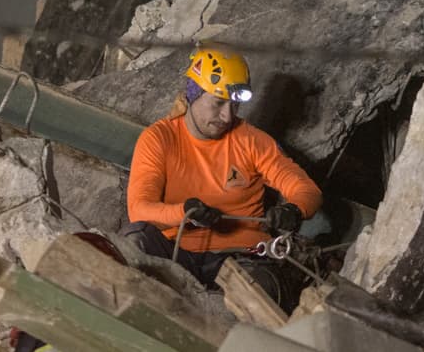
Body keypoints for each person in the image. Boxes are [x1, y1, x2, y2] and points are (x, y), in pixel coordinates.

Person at [123, 45, 322, 308]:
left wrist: (294, 210)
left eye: (234, 104)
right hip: (176, 251)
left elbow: (307, 190)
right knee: (133, 240)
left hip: (238, 258)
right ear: (194, 95)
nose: (227, 115)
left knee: (264, 289)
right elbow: (139, 210)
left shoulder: (252, 141)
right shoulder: (159, 139)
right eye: (218, 103)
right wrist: (184, 213)